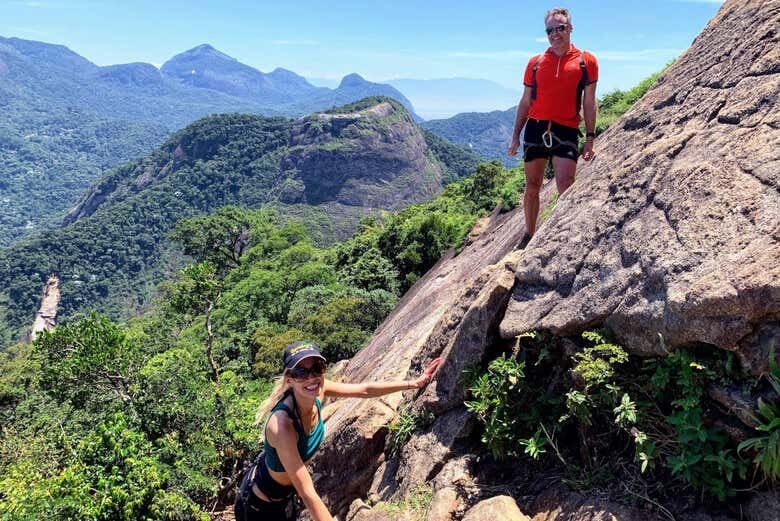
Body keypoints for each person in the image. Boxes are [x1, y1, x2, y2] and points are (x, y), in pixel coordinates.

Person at [234, 340, 442, 521]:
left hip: (285, 496)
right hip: (259, 507)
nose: (311, 377)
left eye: (317, 368)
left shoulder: (318, 390)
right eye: (301, 372)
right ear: (289, 379)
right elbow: (307, 492)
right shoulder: (282, 425)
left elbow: (364, 390)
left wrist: (414, 383)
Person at [507, 7, 599, 247]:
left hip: (566, 128)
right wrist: (515, 136)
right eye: (550, 30)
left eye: (560, 28)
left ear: (570, 28)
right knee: (532, 186)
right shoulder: (535, 63)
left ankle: (564, 237)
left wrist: (590, 138)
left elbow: (589, 102)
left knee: (566, 185)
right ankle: (530, 234)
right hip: (536, 129)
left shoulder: (585, 61)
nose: (555, 34)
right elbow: (526, 101)